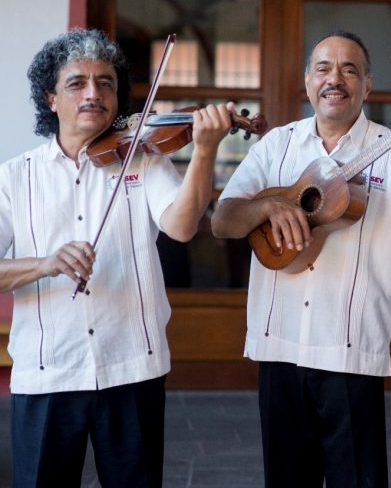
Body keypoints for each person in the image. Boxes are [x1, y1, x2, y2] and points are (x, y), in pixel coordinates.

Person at [211, 29, 391, 487]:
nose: (335, 79)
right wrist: (268, 206)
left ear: (367, 85)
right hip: (278, 342)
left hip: (350, 347)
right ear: (307, 82)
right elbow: (223, 221)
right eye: (323, 68)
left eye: (350, 69)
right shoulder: (276, 145)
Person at [0, 28, 234, 487]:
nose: (94, 93)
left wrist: (204, 150)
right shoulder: (14, 177)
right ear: (51, 99)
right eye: (77, 83)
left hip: (132, 366)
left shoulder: (143, 160)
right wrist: (46, 262)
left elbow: (182, 227)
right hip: (48, 372)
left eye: (106, 83)